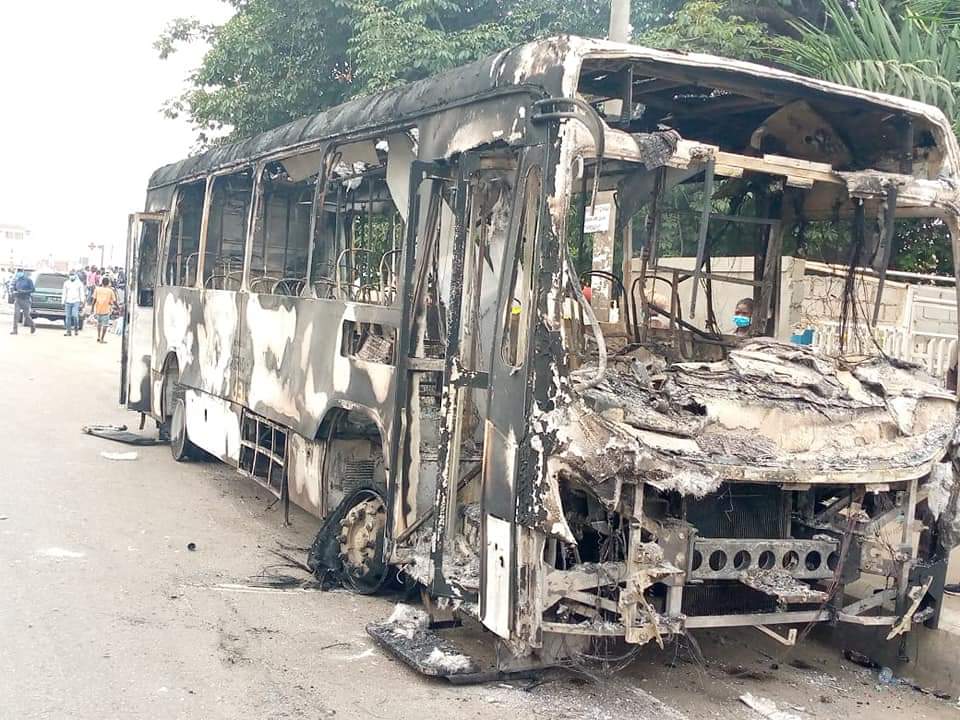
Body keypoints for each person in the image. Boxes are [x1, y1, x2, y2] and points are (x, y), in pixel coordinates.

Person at [92, 276, 117, 344]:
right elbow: (114, 301)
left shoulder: (97, 289)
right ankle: (102, 339)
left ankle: (98, 336)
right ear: (108, 283)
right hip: (106, 310)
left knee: (99, 324)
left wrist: (92, 308)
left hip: (98, 310)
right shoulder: (110, 291)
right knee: (105, 325)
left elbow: (94, 300)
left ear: (102, 283)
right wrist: (118, 307)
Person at [10, 270, 36, 335]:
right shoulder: (17, 280)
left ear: (24, 273)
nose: (19, 274)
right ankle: (15, 330)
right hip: (18, 299)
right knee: (16, 315)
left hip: (26, 300)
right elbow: (14, 287)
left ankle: (32, 325)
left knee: (26, 316)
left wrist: (24, 291)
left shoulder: (29, 280)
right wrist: (13, 291)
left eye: (20, 272)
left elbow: (33, 290)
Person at [62, 272, 85, 336]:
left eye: (73, 275)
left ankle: (76, 329)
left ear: (75, 276)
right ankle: (68, 331)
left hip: (76, 301)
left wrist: (82, 301)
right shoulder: (66, 283)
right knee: (68, 317)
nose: (71, 276)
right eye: (70, 275)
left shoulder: (79, 283)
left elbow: (81, 293)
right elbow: (64, 293)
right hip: (68, 301)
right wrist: (63, 302)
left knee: (75, 316)